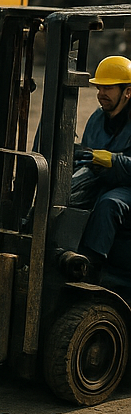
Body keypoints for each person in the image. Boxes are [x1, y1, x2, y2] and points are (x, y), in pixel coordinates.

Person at [70, 56, 131, 278]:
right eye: (99, 87)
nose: (101, 93)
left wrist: (115, 161)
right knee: (66, 194)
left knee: (109, 204)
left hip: (127, 186)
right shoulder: (98, 118)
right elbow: (88, 154)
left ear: (128, 92)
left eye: (108, 88)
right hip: (106, 180)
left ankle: (89, 267)